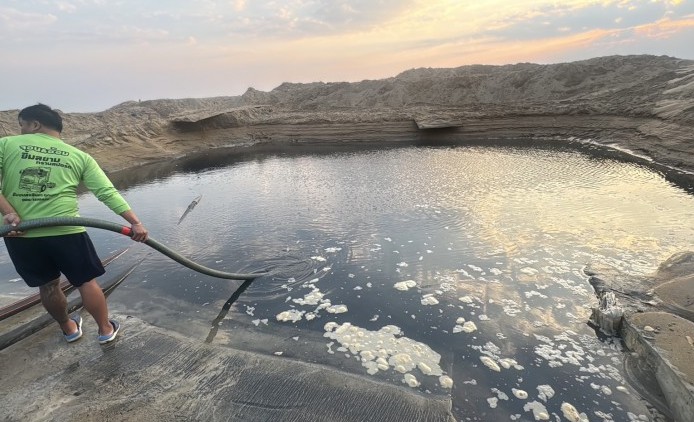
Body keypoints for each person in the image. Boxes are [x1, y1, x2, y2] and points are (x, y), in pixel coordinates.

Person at [0, 104, 148, 344]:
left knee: (48, 286)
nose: (21, 131)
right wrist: (136, 223)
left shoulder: (5, 145)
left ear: (35, 124)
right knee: (86, 281)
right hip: (66, 231)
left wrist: (9, 213)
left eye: (22, 126)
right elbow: (107, 193)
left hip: (20, 233)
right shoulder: (79, 156)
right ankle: (105, 330)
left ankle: (69, 329)